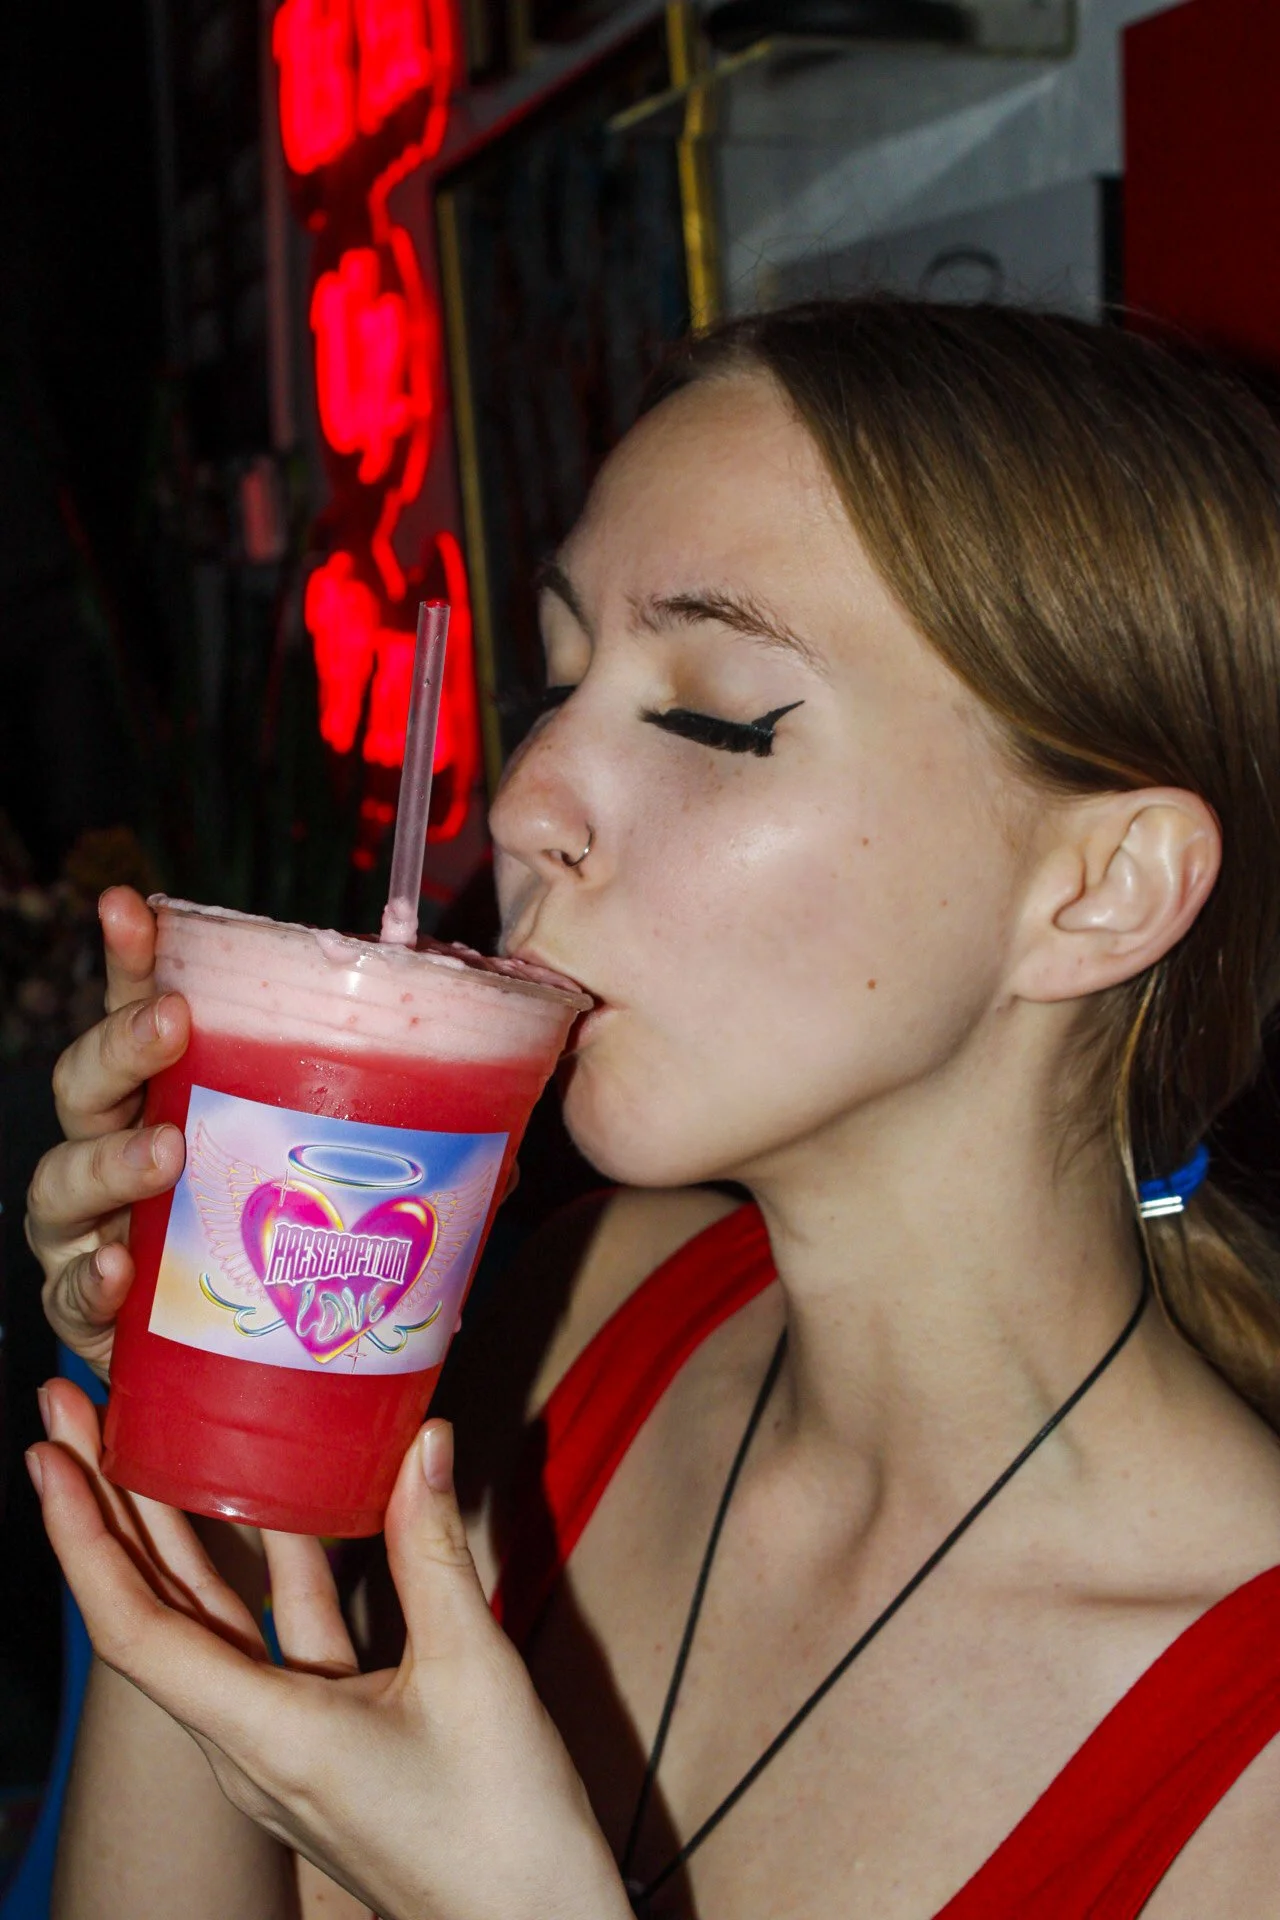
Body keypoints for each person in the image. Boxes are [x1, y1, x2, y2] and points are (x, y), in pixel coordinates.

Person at [23, 299, 1280, 1920]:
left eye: (712, 714)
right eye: (560, 673)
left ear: (1103, 889)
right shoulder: (575, 1315)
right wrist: (206, 1419)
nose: (528, 794)